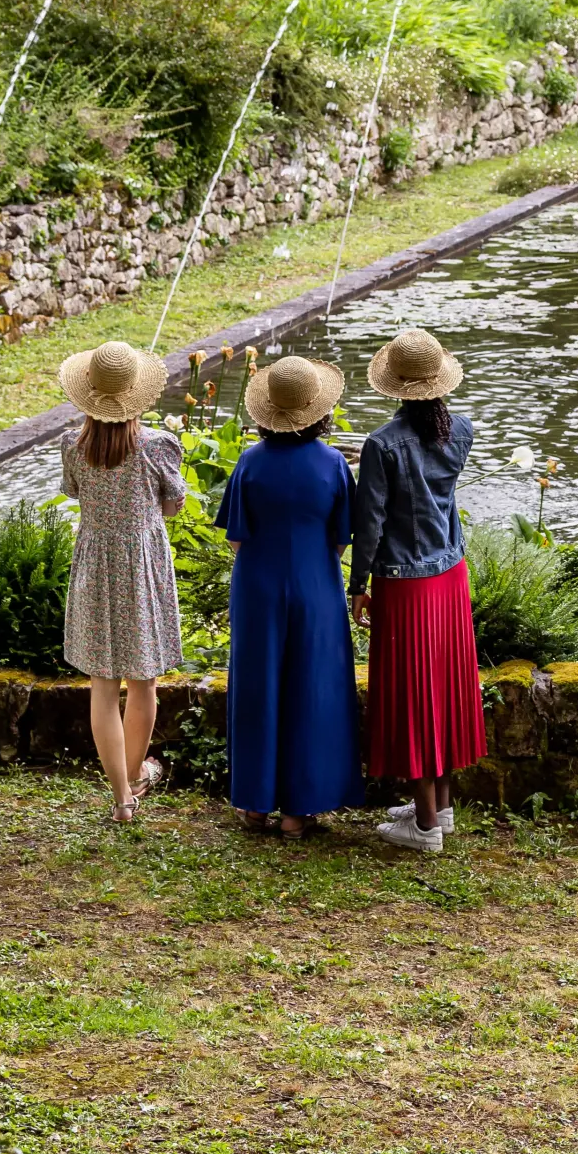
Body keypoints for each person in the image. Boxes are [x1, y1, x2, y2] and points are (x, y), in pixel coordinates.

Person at [349, 327, 486, 857]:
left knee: (414, 695)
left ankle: (424, 828)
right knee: (445, 688)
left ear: (397, 388)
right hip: (450, 574)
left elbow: (372, 523)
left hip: (405, 584)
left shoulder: (382, 445)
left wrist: (358, 586)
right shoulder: (461, 431)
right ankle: (441, 809)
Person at [217, 353, 360, 837]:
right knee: (313, 686)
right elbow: (342, 536)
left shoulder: (250, 462)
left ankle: (255, 804)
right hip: (316, 583)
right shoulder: (334, 463)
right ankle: (299, 812)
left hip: (258, 583)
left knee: (259, 686)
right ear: (317, 410)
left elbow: (236, 536)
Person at [56, 339, 185, 825]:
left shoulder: (73, 444)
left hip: (95, 563)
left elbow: (74, 492)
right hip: (142, 567)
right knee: (143, 682)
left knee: (103, 687)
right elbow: (172, 505)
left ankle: (120, 799)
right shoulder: (157, 445)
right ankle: (134, 779)